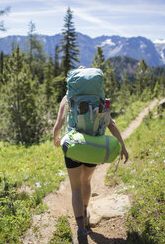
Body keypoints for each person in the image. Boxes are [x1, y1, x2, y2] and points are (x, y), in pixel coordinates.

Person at [53, 73, 129, 244]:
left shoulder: (67, 98)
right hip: (94, 148)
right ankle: (86, 215)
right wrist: (122, 146)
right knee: (86, 182)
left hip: (74, 147)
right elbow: (111, 124)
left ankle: (80, 230)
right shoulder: (99, 100)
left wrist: (56, 138)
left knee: (75, 188)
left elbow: (58, 125)